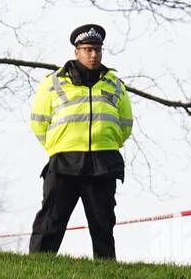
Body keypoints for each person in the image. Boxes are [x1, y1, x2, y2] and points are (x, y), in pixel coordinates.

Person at [27, 24, 134, 259]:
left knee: (103, 224)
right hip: (64, 160)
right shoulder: (52, 82)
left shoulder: (115, 84)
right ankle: (36, 268)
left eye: (97, 49)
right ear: (76, 52)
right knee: (50, 221)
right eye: (87, 49)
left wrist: (106, 142)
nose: (93, 54)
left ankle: (107, 273)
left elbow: (126, 124)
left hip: (103, 161)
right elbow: (38, 122)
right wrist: (57, 145)